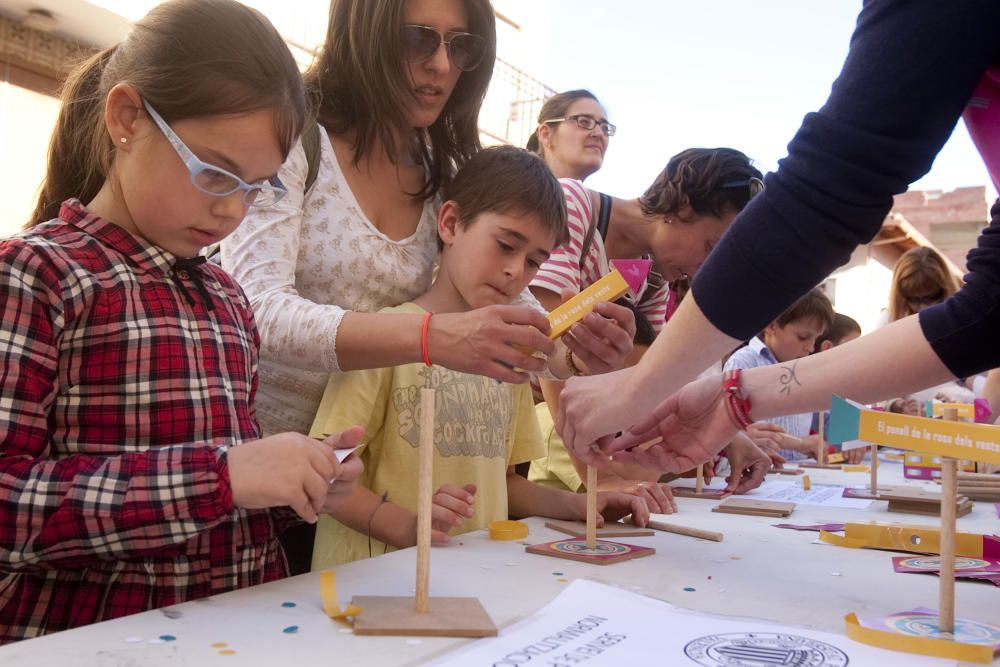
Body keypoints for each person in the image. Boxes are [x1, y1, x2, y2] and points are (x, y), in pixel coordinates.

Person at [219, 0, 635, 574]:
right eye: (419, 39)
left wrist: (573, 353)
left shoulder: (448, 166)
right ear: (365, 32)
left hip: (379, 492)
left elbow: (505, 317)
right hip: (255, 481)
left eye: (460, 46)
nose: (441, 64)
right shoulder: (295, 142)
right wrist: (430, 337)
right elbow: (252, 311)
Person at [0, 0, 364, 643]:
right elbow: (9, 506)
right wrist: (221, 476)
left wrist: (292, 485)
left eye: (257, 187)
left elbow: (225, 507)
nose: (232, 211)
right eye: (214, 173)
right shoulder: (38, 275)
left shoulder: (228, 299)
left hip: (240, 637)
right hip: (99, 643)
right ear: (127, 119)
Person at [556, 0, 1000, 467]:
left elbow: (831, 187)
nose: (706, 269)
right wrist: (733, 396)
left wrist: (641, 383)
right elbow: (987, 314)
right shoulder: (576, 207)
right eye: (713, 248)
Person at [308, 147, 650, 568]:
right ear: (451, 224)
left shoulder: (511, 359)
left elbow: (505, 482)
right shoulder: (388, 339)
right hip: (371, 590)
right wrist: (404, 524)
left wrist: (582, 505)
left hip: (469, 580)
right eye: (506, 245)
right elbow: (326, 470)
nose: (515, 272)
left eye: (534, 262)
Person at [723, 289, 833, 462]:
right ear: (771, 325)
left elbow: (826, 419)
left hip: (797, 474)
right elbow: (729, 430)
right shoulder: (744, 364)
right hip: (757, 472)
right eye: (803, 337)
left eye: (815, 339)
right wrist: (799, 443)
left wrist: (853, 438)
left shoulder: (805, 368)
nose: (811, 348)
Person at [526, 89, 614, 181]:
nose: (599, 133)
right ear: (546, 134)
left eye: (605, 128)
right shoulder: (516, 189)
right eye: (584, 122)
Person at [885, 247, 960, 323]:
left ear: (945, 291)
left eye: (931, 297)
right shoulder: (887, 321)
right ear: (901, 296)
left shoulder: (962, 321)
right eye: (913, 299)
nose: (923, 308)